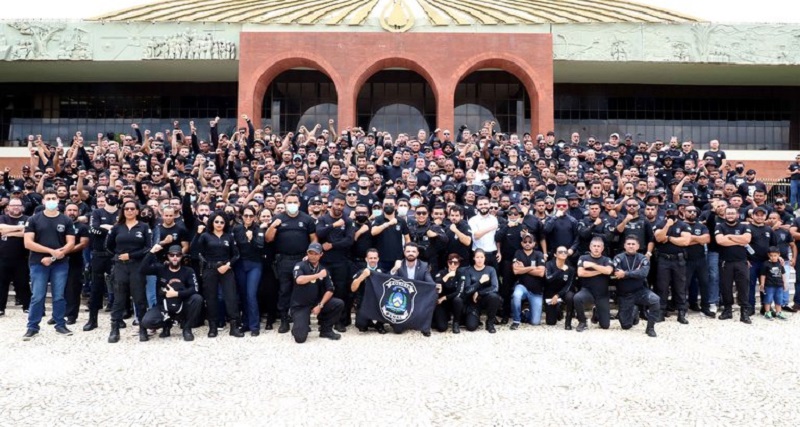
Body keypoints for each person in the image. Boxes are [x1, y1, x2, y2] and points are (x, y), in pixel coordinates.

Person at [22, 189, 76, 339]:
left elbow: (70, 243)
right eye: (48, 198)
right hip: (38, 263)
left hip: (60, 264)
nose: (51, 200)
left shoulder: (66, 220)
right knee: (38, 296)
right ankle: (32, 327)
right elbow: (28, 243)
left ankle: (60, 324)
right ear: (43, 201)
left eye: (54, 198)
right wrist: (52, 252)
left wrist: (54, 256)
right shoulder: (34, 220)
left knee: (59, 296)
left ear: (58, 201)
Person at [266, 192, 317, 334]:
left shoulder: (307, 219)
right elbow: (269, 239)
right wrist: (272, 226)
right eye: (290, 202)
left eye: (295, 202)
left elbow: (314, 240)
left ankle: (303, 320)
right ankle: (284, 320)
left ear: (299, 204)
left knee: (303, 291)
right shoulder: (278, 218)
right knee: (284, 290)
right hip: (284, 260)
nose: (292, 205)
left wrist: (310, 255)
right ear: (284, 202)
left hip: (302, 259)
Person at [191, 211, 243, 338]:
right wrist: (197, 233)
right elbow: (194, 250)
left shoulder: (228, 237)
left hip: (226, 268)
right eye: (216, 221)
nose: (219, 224)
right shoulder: (205, 236)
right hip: (210, 269)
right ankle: (213, 327)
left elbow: (236, 255)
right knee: (211, 298)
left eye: (222, 222)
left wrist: (228, 265)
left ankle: (234, 326)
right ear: (212, 222)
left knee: (231, 297)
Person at [106, 199, 152, 343]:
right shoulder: (117, 227)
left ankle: (143, 329)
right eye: (127, 209)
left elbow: (147, 248)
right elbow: (108, 245)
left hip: (137, 266)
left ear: (137, 211)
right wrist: (119, 256)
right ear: (123, 211)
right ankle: (114, 329)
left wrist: (131, 255)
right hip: (120, 266)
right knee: (119, 299)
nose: (130, 211)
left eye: (133, 209)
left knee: (139, 299)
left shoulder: (143, 227)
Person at [140, 244, 204, 341]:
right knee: (147, 321)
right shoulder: (161, 269)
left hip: (182, 306)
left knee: (197, 298)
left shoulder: (188, 271)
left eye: (178, 255)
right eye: (172, 255)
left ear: (181, 256)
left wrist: (176, 294)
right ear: (168, 256)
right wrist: (151, 252)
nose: (175, 257)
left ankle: (187, 328)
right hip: (164, 307)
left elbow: (194, 289)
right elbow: (142, 269)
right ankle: (167, 325)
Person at [315, 194, 355, 332]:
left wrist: (332, 245)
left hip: (341, 262)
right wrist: (333, 225)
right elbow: (319, 233)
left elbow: (349, 240)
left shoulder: (347, 221)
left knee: (340, 291)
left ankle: (339, 321)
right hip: (325, 262)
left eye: (341, 205)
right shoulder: (323, 219)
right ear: (331, 204)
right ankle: (323, 320)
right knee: (324, 290)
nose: (339, 207)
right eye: (337, 204)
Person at [290, 242, 344, 343]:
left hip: (316, 302)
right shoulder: (300, 265)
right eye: (311, 253)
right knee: (300, 338)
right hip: (300, 305)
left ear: (321, 255)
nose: (313, 256)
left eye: (316, 254)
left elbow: (330, 289)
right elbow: (299, 280)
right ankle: (298, 325)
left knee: (338, 304)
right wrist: (317, 275)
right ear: (307, 253)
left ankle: (325, 330)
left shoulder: (324, 270)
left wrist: (320, 305)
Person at [83, 190, 119, 331]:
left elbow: (122, 230)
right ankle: (93, 320)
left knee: (119, 288)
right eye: (109, 195)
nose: (112, 197)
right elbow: (93, 230)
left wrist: (106, 228)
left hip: (115, 255)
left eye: (115, 195)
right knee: (96, 288)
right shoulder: (97, 213)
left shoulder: (122, 212)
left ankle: (118, 319)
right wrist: (112, 229)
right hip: (98, 254)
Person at [612, 236, 660, 337]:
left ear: (638, 246)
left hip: (640, 292)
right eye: (628, 244)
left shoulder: (643, 258)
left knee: (655, 300)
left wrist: (625, 274)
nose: (631, 246)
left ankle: (650, 328)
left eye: (633, 244)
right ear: (624, 245)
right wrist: (635, 273)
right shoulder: (618, 258)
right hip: (624, 295)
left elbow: (643, 273)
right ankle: (634, 311)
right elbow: (616, 273)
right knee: (626, 325)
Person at [652, 202, 692, 324]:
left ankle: (681, 313)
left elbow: (685, 241)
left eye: (672, 212)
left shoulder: (683, 225)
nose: (671, 214)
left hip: (678, 260)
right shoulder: (660, 224)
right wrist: (667, 226)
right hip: (663, 260)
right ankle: (661, 312)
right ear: (665, 213)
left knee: (680, 287)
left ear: (677, 212)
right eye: (668, 212)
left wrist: (668, 238)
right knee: (662, 287)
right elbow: (658, 238)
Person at [714, 206, 752, 324]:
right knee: (726, 287)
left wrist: (729, 236)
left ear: (737, 215)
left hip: (741, 262)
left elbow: (747, 240)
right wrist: (738, 240)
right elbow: (720, 241)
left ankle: (744, 312)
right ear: (725, 215)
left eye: (732, 213)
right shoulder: (719, 226)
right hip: (726, 262)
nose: (730, 215)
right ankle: (727, 310)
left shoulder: (744, 226)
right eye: (728, 213)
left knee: (743, 287)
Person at [232, 206, 266, 336]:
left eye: (251, 216)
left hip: (254, 264)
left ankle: (254, 326)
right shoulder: (237, 229)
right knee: (243, 294)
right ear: (241, 216)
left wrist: (251, 239)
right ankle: (245, 323)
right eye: (245, 215)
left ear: (255, 217)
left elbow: (260, 246)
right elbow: (234, 247)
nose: (248, 218)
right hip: (240, 264)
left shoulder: (259, 229)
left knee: (251, 294)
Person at [389, 243, 435, 336]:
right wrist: (394, 269)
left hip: (418, 297)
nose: (411, 253)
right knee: (398, 330)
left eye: (413, 251)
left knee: (433, 292)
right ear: (404, 252)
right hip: (402, 299)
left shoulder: (424, 265)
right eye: (408, 251)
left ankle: (425, 326)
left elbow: (430, 282)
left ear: (417, 253)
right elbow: (388, 282)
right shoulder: (399, 264)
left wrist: (435, 286)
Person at [574, 237, 614, 332]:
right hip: (588, 291)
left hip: (602, 294)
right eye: (594, 246)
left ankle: (597, 312)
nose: (596, 248)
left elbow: (608, 271)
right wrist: (601, 271)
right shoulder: (583, 258)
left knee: (605, 326)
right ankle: (582, 322)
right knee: (577, 298)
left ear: (602, 248)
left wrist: (592, 265)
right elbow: (581, 273)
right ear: (590, 247)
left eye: (598, 246)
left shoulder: (606, 259)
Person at [0, 197, 30, 316]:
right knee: (1, 284)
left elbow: (27, 233)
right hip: (2, 257)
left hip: (21, 258)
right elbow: (1, 228)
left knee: (23, 284)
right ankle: (1, 308)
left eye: (18, 205)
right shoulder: (2, 217)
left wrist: (8, 232)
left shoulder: (28, 218)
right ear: (8, 207)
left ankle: (27, 306)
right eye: (13, 205)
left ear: (22, 207)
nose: (16, 207)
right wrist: (20, 228)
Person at [683, 205, 714, 318]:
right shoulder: (681, 225)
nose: (692, 213)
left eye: (694, 211)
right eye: (689, 211)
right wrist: (698, 239)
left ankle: (705, 307)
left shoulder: (701, 226)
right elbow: (683, 242)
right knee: (684, 285)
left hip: (701, 259)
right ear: (683, 212)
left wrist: (691, 238)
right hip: (686, 260)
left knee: (705, 283)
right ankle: (683, 308)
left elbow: (707, 239)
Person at [510, 233, 546, 329]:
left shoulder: (539, 254)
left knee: (535, 322)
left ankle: (525, 313)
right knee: (516, 294)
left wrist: (524, 269)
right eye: (525, 241)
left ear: (534, 243)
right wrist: (532, 267)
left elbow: (541, 273)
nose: (527, 243)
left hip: (536, 291)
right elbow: (516, 271)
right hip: (522, 287)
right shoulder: (518, 253)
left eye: (530, 242)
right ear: (522, 243)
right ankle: (516, 320)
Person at [462, 249, 502, 333]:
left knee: (494, 297)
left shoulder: (491, 270)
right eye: (477, 257)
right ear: (474, 258)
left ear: (485, 258)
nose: (479, 259)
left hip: (486, 299)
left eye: (481, 257)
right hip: (473, 301)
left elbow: (495, 288)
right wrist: (480, 282)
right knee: (471, 327)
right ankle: (475, 317)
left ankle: (490, 322)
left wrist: (479, 292)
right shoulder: (468, 271)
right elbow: (467, 290)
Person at [62, 203, 90, 325]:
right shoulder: (59, 224)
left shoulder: (82, 227)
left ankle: (71, 315)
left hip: (75, 261)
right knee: (59, 288)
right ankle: (58, 314)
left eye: (74, 210)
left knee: (73, 289)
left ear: (78, 212)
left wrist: (65, 251)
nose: (72, 212)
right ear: (65, 212)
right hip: (58, 260)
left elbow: (83, 243)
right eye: (69, 210)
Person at [350, 248, 387, 334]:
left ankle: (379, 324)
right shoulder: (361, 271)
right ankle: (369, 321)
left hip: (378, 303)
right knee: (361, 325)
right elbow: (353, 288)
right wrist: (362, 276)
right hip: (364, 303)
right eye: (370, 258)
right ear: (366, 259)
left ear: (378, 259)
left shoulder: (383, 272)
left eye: (375, 258)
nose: (373, 260)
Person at [432, 253, 466, 334]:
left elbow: (459, 292)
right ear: (448, 263)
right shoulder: (442, 272)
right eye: (451, 262)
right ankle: (443, 317)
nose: (453, 265)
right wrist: (447, 276)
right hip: (442, 303)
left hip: (453, 301)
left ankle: (456, 323)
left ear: (459, 264)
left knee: (458, 300)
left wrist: (444, 297)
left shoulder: (461, 274)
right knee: (442, 328)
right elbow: (436, 284)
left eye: (456, 263)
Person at [544, 245, 576, 328]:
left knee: (570, 296)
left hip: (563, 292)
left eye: (565, 252)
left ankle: (568, 322)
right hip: (550, 292)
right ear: (555, 254)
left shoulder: (571, 268)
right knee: (551, 322)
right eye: (560, 252)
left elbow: (568, 286)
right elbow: (548, 279)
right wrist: (560, 270)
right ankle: (558, 308)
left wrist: (558, 295)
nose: (563, 253)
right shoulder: (548, 264)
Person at [468, 197, 500, 269]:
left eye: (485, 204)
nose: (483, 206)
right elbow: (476, 236)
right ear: (477, 206)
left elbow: (496, 237)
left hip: (492, 253)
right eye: (481, 204)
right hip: (478, 254)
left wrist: (499, 251)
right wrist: (491, 228)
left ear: (489, 205)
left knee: (494, 278)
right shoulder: (472, 220)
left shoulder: (494, 219)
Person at [759, 246, 788, 321]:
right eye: (771, 255)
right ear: (768, 255)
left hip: (779, 286)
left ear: (779, 255)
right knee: (768, 299)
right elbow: (763, 275)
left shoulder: (780, 264)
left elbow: (783, 274)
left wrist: (785, 283)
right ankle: (767, 312)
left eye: (775, 255)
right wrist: (762, 284)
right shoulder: (765, 264)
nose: (773, 257)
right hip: (769, 286)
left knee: (779, 299)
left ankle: (779, 312)